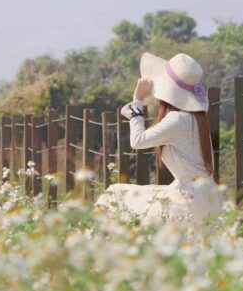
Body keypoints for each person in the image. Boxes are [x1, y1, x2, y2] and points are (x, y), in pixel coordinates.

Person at [94, 52, 225, 226]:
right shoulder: (197, 120)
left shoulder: (177, 119)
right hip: (209, 198)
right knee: (140, 194)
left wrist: (137, 100)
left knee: (114, 195)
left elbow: (138, 141)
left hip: (189, 202)